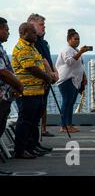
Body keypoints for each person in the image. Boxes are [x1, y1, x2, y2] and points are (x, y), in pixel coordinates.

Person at [12, 23, 54, 159]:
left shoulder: (32, 48)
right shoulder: (23, 48)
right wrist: (47, 76)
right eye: (33, 33)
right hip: (27, 93)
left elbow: (39, 63)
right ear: (24, 33)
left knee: (34, 121)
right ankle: (20, 149)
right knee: (25, 122)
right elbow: (32, 68)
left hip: (37, 91)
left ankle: (32, 146)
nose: (36, 35)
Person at [27, 13, 58, 137]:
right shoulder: (33, 44)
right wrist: (51, 74)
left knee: (42, 105)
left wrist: (54, 73)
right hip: (36, 82)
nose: (43, 27)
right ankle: (34, 138)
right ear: (32, 25)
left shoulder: (43, 43)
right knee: (34, 112)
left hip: (46, 79)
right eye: (41, 25)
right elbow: (42, 60)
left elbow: (48, 59)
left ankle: (41, 131)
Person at [0, 18, 24, 174]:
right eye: (6, 29)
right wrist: (18, 84)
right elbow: (2, 71)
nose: (8, 32)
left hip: (5, 96)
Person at [55, 29, 88, 134]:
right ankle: (64, 126)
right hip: (67, 80)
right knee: (67, 102)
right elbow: (69, 62)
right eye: (75, 39)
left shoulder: (75, 50)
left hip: (74, 80)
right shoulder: (67, 50)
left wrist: (84, 77)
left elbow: (80, 66)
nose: (78, 41)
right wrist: (81, 52)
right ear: (69, 40)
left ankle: (68, 125)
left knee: (70, 103)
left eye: (79, 39)